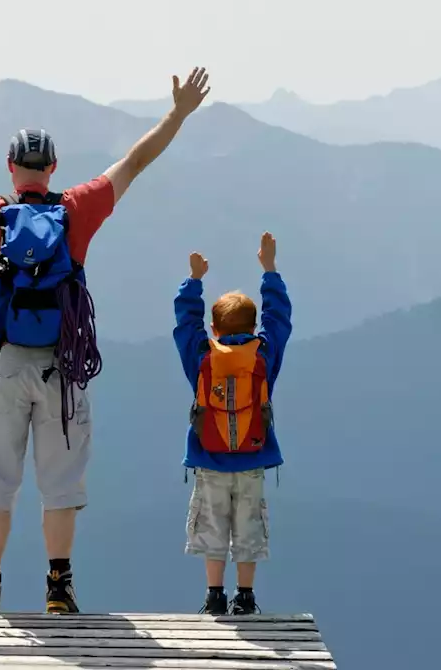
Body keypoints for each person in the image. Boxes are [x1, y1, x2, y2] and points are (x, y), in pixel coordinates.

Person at [0, 68, 212, 613]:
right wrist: (178, 112)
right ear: (52, 167)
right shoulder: (76, 211)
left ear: (11, 169)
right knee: (60, 481)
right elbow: (136, 162)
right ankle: (58, 587)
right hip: (62, 366)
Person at [172, 233, 292, 615]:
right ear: (255, 327)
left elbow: (183, 325)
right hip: (253, 458)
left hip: (209, 459)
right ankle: (245, 596)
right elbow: (281, 319)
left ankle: (213, 596)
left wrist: (193, 281)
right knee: (247, 527)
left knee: (212, 527)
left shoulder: (202, 356)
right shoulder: (265, 353)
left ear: (213, 328)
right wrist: (270, 271)